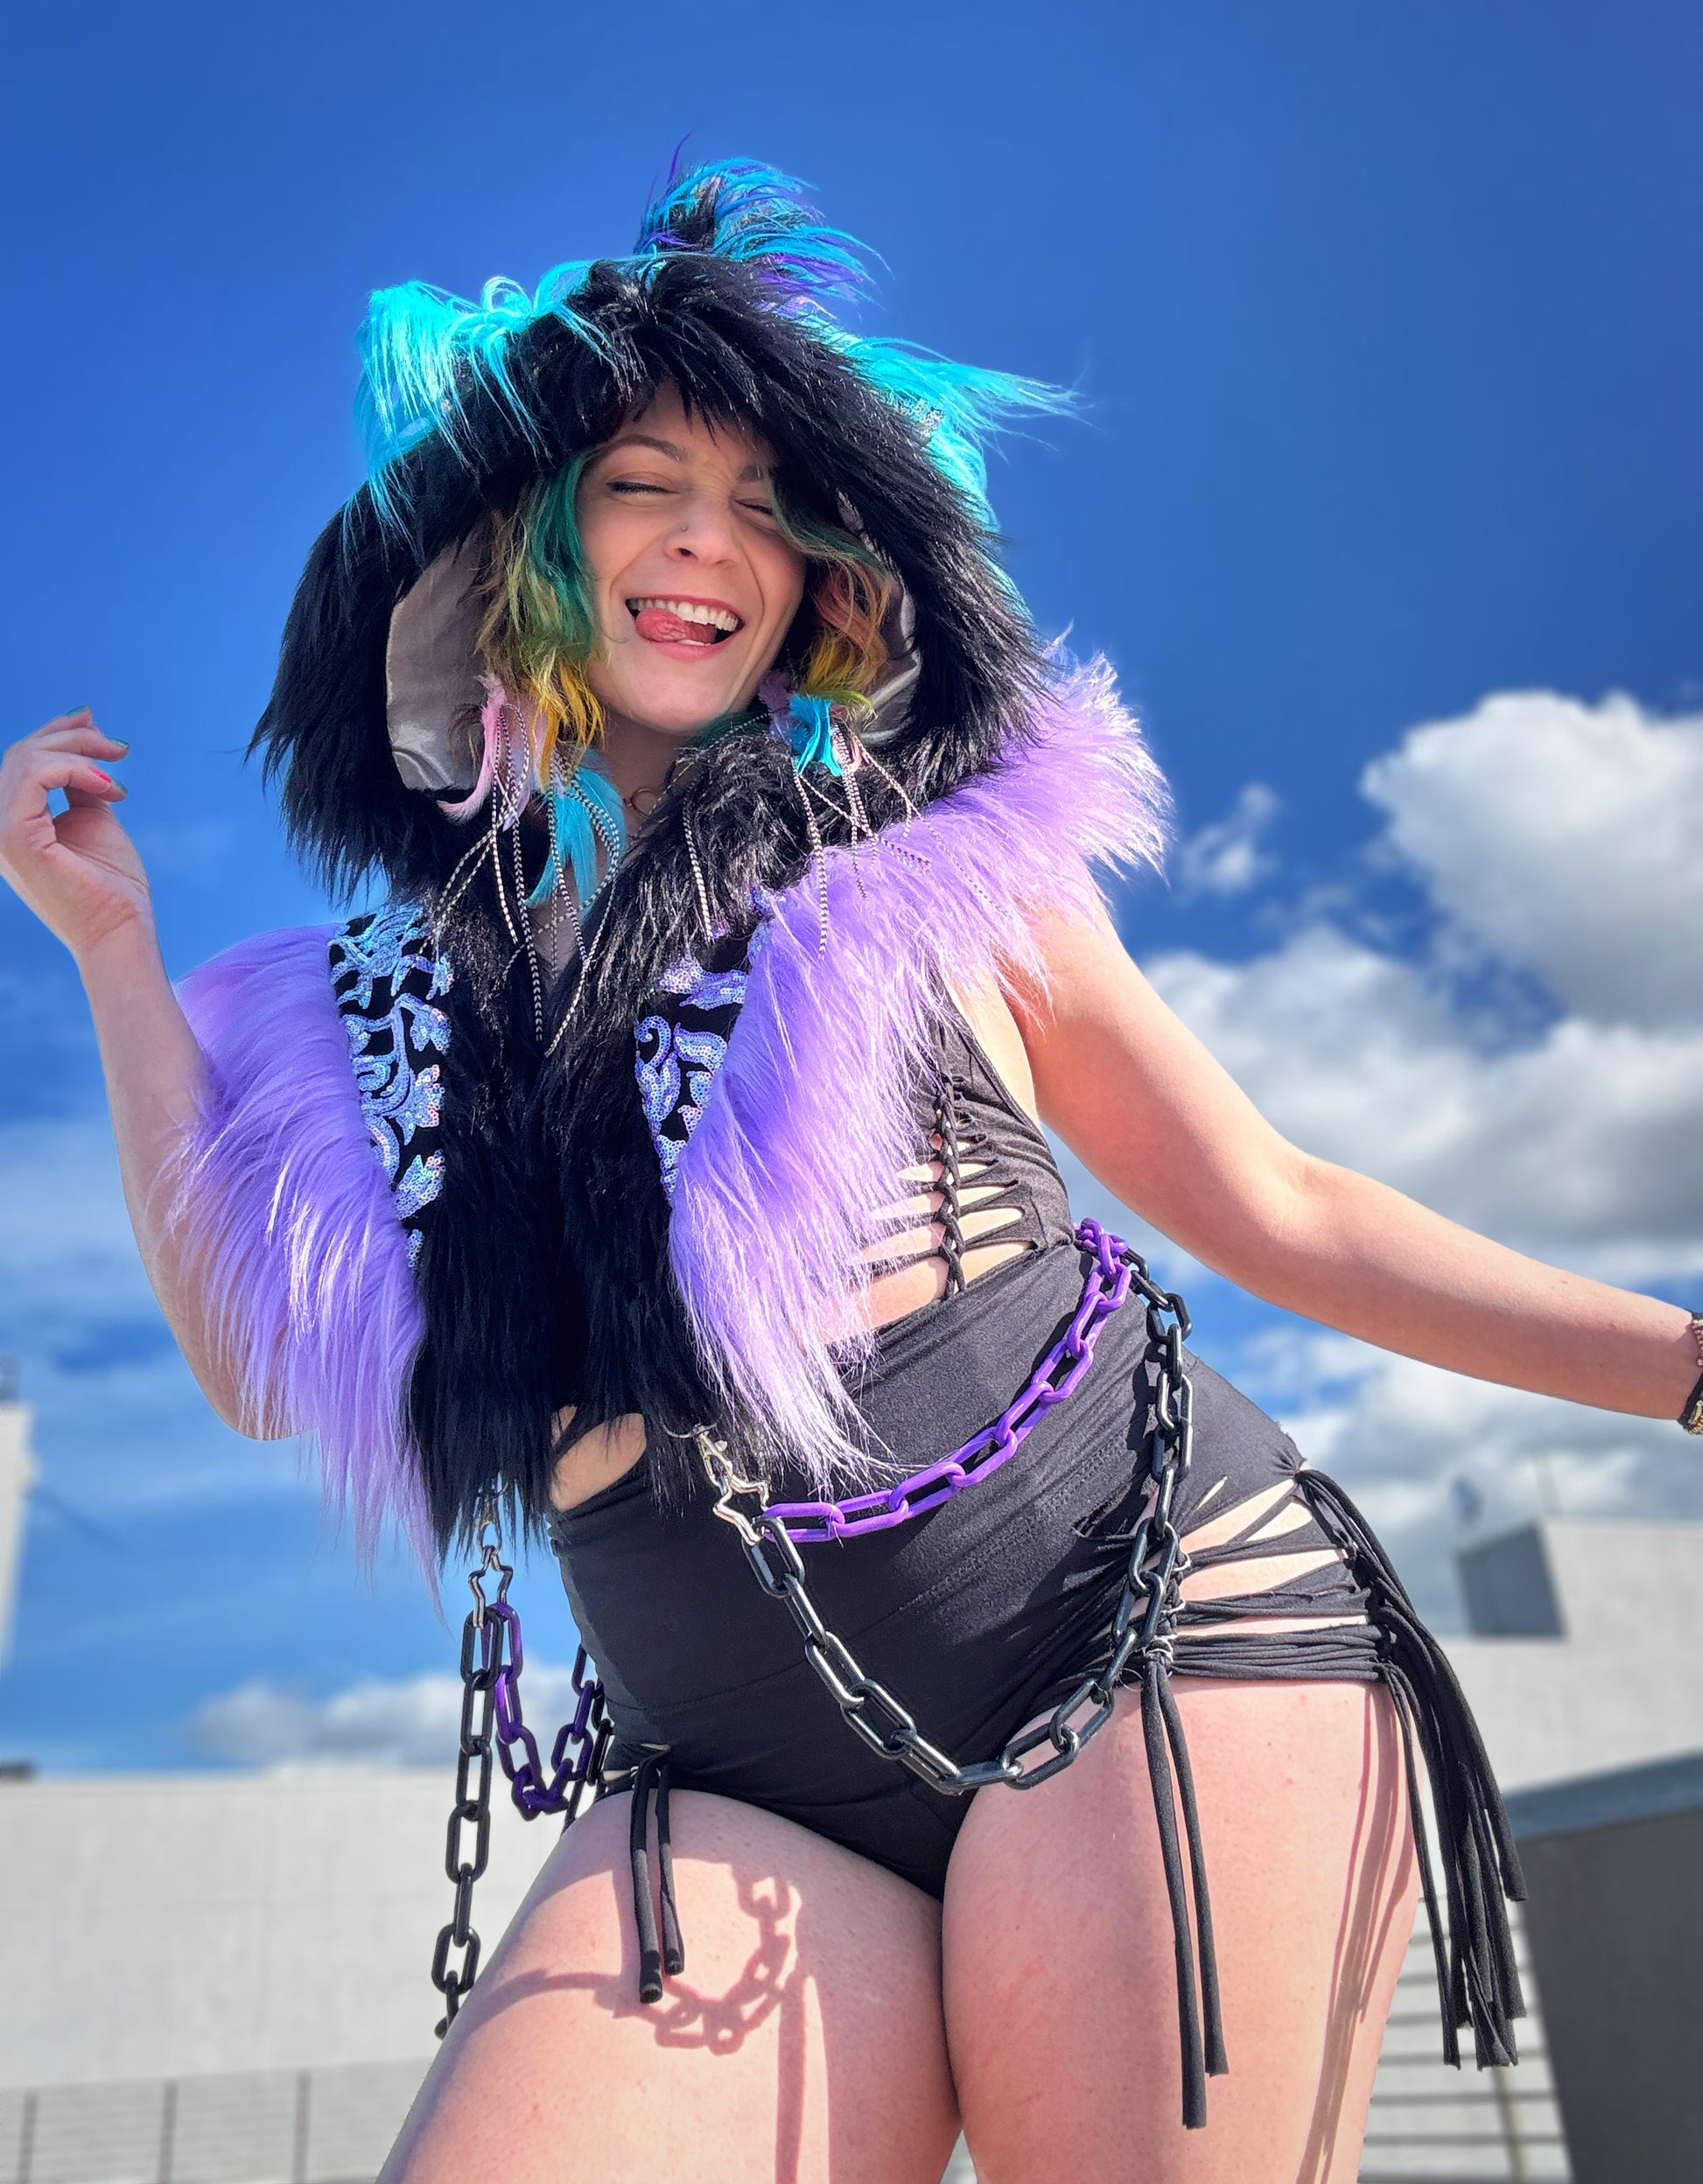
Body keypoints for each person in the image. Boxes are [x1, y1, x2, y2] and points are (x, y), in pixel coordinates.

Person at [3, 161, 1699, 2184]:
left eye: (767, 503)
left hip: (1143, 1627)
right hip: (728, 1755)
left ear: (825, 573)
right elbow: (252, 1367)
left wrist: (1688, 1370)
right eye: (641, 483)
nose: (706, 541)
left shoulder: (941, 860)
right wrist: (113, 949)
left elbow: (1282, 1204)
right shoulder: (375, 998)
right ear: (523, 539)